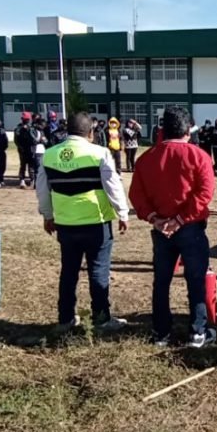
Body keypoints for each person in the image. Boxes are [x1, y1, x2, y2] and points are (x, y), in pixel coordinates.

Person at [129, 106, 217, 348]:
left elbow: (137, 195)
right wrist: (179, 220)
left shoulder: (146, 158)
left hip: (162, 229)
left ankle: (161, 333)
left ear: (161, 130)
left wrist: (155, 219)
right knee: (196, 279)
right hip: (190, 227)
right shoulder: (199, 156)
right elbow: (205, 193)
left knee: (161, 281)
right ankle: (198, 332)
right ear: (188, 131)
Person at [36, 113, 130, 332]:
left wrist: (47, 216)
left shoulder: (49, 155)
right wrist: (122, 212)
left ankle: (65, 318)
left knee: (68, 271)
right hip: (96, 222)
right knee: (98, 271)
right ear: (91, 133)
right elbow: (112, 185)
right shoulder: (99, 153)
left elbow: (42, 190)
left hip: (66, 224)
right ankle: (101, 318)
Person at [14, 113, 38, 188]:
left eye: (27, 119)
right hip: (22, 149)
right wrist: (20, 147)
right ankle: (22, 181)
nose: (26, 121)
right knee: (23, 165)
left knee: (31, 166)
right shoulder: (18, 128)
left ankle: (32, 181)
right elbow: (16, 139)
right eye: (25, 119)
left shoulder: (32, 127)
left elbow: (35, 138)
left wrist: (29, 130)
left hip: (31, 149)